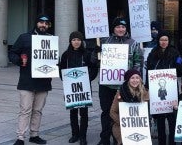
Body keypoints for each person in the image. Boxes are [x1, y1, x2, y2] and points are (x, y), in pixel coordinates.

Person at [92, 17, 143, 145]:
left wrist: (132, 78)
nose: (121, 29)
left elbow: (138, 61)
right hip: (107, 85)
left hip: (124, 86)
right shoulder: (104, 42)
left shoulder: (133, 43)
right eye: (118, 27)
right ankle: (104, 138)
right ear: (113, 28)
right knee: (106, 112)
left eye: (123, 27)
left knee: (120, 112)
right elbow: (94, 62)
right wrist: (95, 52)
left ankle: (118, 138)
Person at [9, 14, 53, 145]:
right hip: (27, 81)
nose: (43, 25)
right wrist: (19, 61)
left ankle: (34, 134)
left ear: (48, 25)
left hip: (44, 82)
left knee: (38, 110)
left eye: (46, 23)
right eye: (41, 23)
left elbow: (54, 58)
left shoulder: (51, 40)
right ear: (36, 23)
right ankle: (20, 137)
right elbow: (12, 53)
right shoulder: (24, 37)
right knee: (25, 110)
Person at [59, 31, 98, 145]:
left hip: (84, 88)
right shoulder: (65, 55)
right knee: (73, 112)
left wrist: (88, 79)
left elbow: (93, 68)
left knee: (84, 113)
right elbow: (62, 69)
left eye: (78, 40)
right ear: (70, 41)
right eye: (74, 40)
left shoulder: (86, 54)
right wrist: (64, 78)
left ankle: (83, 136)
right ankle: (74, 134)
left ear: (82, 41)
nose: (76, 42)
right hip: (71, 88)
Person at [146, 30, 182, 145]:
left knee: (172, 119)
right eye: (161, 39)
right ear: (158, 41)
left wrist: (178, 65)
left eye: (166, 40)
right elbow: (148, 70)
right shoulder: (152, 53)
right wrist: (147, 86)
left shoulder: (175, 53)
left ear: (169, 41)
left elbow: (181, 69)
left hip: (171, 91)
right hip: (157, 90)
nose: (163, 42)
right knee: (160, 120)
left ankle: (172, 142)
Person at [110, 69, 149, 145]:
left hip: (139, 126)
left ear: (140, 79)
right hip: (122, 126)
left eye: (137, 78)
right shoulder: (120, 93)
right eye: (132, 78)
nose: (135, 80)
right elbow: (112, 112)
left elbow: (146, 112)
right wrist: (122, 122)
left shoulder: (145, 93)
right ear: (128, 80)